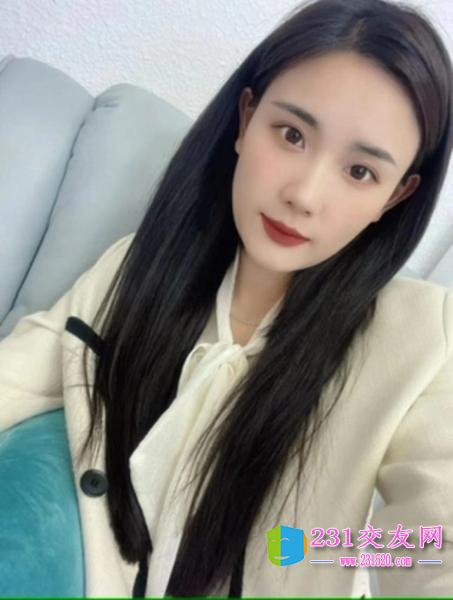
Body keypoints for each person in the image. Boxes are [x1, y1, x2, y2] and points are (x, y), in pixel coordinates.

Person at [1, 0, 452, 596]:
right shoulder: (142, 265)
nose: (304, 195)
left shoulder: (421, 337)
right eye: (291, 135)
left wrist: (310, 548)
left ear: (394, 197)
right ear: (246, 118)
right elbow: (18, 373)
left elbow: (434, 545)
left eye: (360, 172)